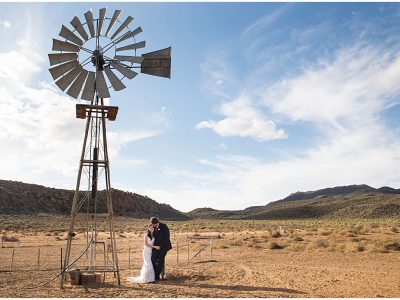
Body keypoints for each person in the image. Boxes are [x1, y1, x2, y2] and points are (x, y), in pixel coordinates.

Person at [150, 217, 172, 282]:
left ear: (157, 223)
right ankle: (156, 273)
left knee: (160, 259)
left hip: (164, 246)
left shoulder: (164, 226)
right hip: (156, 246)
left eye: (154, 224)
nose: (153, 225)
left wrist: (160, 246)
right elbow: (151, 237)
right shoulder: (152, 227)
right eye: (152, 224)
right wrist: (151, 232)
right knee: (153, 259)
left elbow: (166, 237)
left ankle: (156, 276)